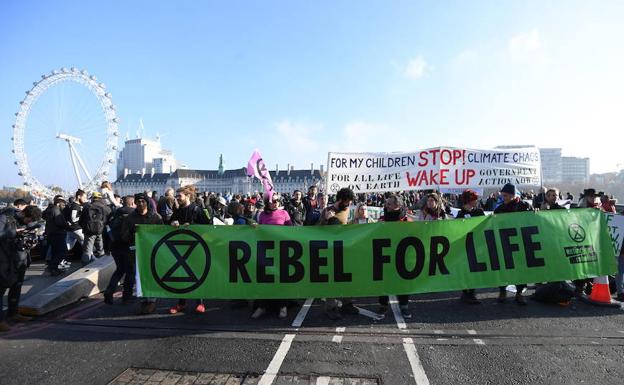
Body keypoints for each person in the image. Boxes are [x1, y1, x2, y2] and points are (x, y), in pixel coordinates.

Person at [168, 186, 212, 315]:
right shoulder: (178, 211)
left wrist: (194, 227)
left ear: (187, 196)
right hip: (181, 247)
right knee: (181, 276)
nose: (177, 198)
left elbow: (207, 226)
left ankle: (200, 302)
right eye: (176, 196)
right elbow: (169, 223)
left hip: (196, 247)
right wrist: (172, 224)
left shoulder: (197, 210)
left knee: (197, 275)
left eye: (179, 196)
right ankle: (181, 303)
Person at [0, 205, 43, 332]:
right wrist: (16, 232)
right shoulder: (5, 217)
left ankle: (13, 313)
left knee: (17, 285)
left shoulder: (25, 221)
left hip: (20, 257)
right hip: (4, 258)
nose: (29, 223)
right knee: (1, 288)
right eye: (29, 220)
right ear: (24, 214)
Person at [318, 188, 357, 320]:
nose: (349, 205)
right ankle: (331, 307)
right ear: (340, 200)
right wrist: (328, 220)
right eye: (347, 202)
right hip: (330, 251)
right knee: (332, 280)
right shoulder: (327, 211)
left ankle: (347, 303)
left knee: (347, 278)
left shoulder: (346, 210)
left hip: (344, 249)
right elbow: (319, 230)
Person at [121, 192, 163, 315]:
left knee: (152, 275)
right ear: (135, 202)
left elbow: (162, 233)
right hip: (136, 253)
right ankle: (144, 300)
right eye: (138, 201)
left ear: (147, 202)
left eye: (143, 201)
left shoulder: (156, 217)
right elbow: (123, 236)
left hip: (152, 252)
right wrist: (133, 233)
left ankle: (152, 300)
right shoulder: (129, 219)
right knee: (139, 276)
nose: (140, 203)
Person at [252, 193, 292, 319]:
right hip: (266, 250)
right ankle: (262, 306)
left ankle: (283, 306)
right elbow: (260, 232)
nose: (275, 202)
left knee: (281, 279)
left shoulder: (284, 213)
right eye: (272, 201)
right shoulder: (262, 215)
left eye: (277, 200)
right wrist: (255, 227)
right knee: (265, 279)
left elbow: (291, 231)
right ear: (267, 203)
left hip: (281, 250)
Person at [493, 183, 533, 305]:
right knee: (504, 266)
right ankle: (502, 290)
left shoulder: (525, 206)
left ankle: (519, 293)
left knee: (521, 267)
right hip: (505, 242)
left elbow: (533, 220)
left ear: (512, 195)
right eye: (502, 195)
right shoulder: (499, 209)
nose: (503, 198)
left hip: (521, 241)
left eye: (505, 195)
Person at [378, 194, 412, 318]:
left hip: (402, 254)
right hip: (385, 254)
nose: (387, 205)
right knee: (384, 280)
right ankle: (383, 305)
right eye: (387, 203)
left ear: (397, 205)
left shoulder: (405, 220)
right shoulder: (383, 218)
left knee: (403, 281)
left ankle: (404, 305)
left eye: (389, 203)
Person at [103, 195, 136, 305]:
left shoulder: (114, 213)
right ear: (132, 203)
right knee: (130, 271)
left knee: (120, 269)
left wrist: (106, 247)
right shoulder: (134, 214)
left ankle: (109, 291)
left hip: (115, 247)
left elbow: (106, 231)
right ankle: (127, 296)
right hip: (129, 247)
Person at [455, 190, 485, 304]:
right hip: (465, 247)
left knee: (475, 269)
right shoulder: (460, 214)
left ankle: (472, 293)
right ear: (469, 200)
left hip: (477, 246)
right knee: (465, 270)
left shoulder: (479, 211)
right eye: (474, 199)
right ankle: (465, 293)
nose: (477, 201)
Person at [79, 192, 112, 266]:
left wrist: (86, 228)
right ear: (101, 198)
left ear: (93, 198)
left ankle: (85, 267)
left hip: (89, 231)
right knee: (101, 249)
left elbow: (81, 220)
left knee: (87, 250)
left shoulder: (87, 207)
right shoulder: (105, 207)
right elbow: (110, 217)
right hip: (100, 230)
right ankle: (102, 266)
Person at [44, 195, 69, 276]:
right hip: (58, 233)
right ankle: (53, 266)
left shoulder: (49, 209)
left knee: (55, 252)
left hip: (51, 233)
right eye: (63, 205)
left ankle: (54, 269)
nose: (64, 207)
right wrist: (67, 225)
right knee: (63, 251)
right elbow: (59, 223)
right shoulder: (56, 210)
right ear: (58, 204)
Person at [65, 189, 87, 262]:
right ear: (78, 196)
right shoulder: (75, 206)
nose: (85, 199)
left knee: (67, 246)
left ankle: (58, 260)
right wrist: (82, 216)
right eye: (84, 197)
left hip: (71, 229)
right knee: (87, 245)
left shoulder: (73, 205)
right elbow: (73, 219)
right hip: (77, 229)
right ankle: (90, 259)